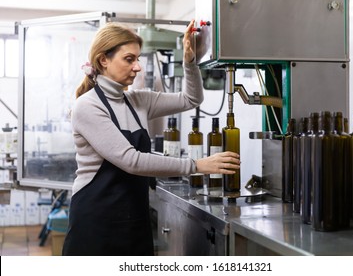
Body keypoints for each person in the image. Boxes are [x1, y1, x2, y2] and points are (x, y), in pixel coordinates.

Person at [62, 20, 240, 256]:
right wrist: (197, 165)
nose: (137, 67)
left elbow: (191, 99)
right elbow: (131, 160)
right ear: (103, 60)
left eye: (138, 59)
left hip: (134, 217)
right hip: (97, 219)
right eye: (129, 59)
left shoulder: (137, 100)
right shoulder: (88, 106)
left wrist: (190, 62)